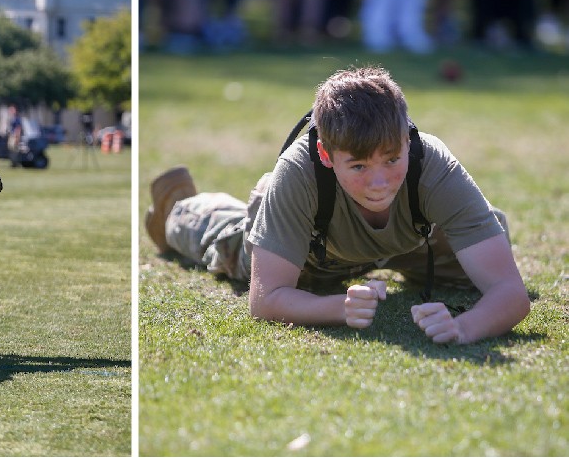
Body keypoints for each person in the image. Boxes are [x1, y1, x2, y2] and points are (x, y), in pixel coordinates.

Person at [145, 66, 530, 345]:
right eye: (359, 165)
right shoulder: (297, 172)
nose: (379, 182)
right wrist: (337, 308)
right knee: (230, 250)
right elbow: (265, 300)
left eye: (392, 160)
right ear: (326, 155)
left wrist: (466, 328)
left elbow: (510, 292)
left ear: (408, 142)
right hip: (315, 250)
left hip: (413, 242)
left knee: (479, 260)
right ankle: (179, 207)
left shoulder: (433, 162)